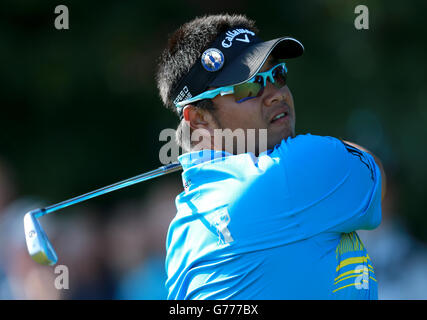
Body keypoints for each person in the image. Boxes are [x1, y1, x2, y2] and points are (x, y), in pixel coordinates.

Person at [156, 14, 386, 300]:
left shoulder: (183, 229)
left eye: (277, 75)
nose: (276, 94)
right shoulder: (293, 169)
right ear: (200, 118)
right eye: (248, 86)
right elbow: (374, 170)